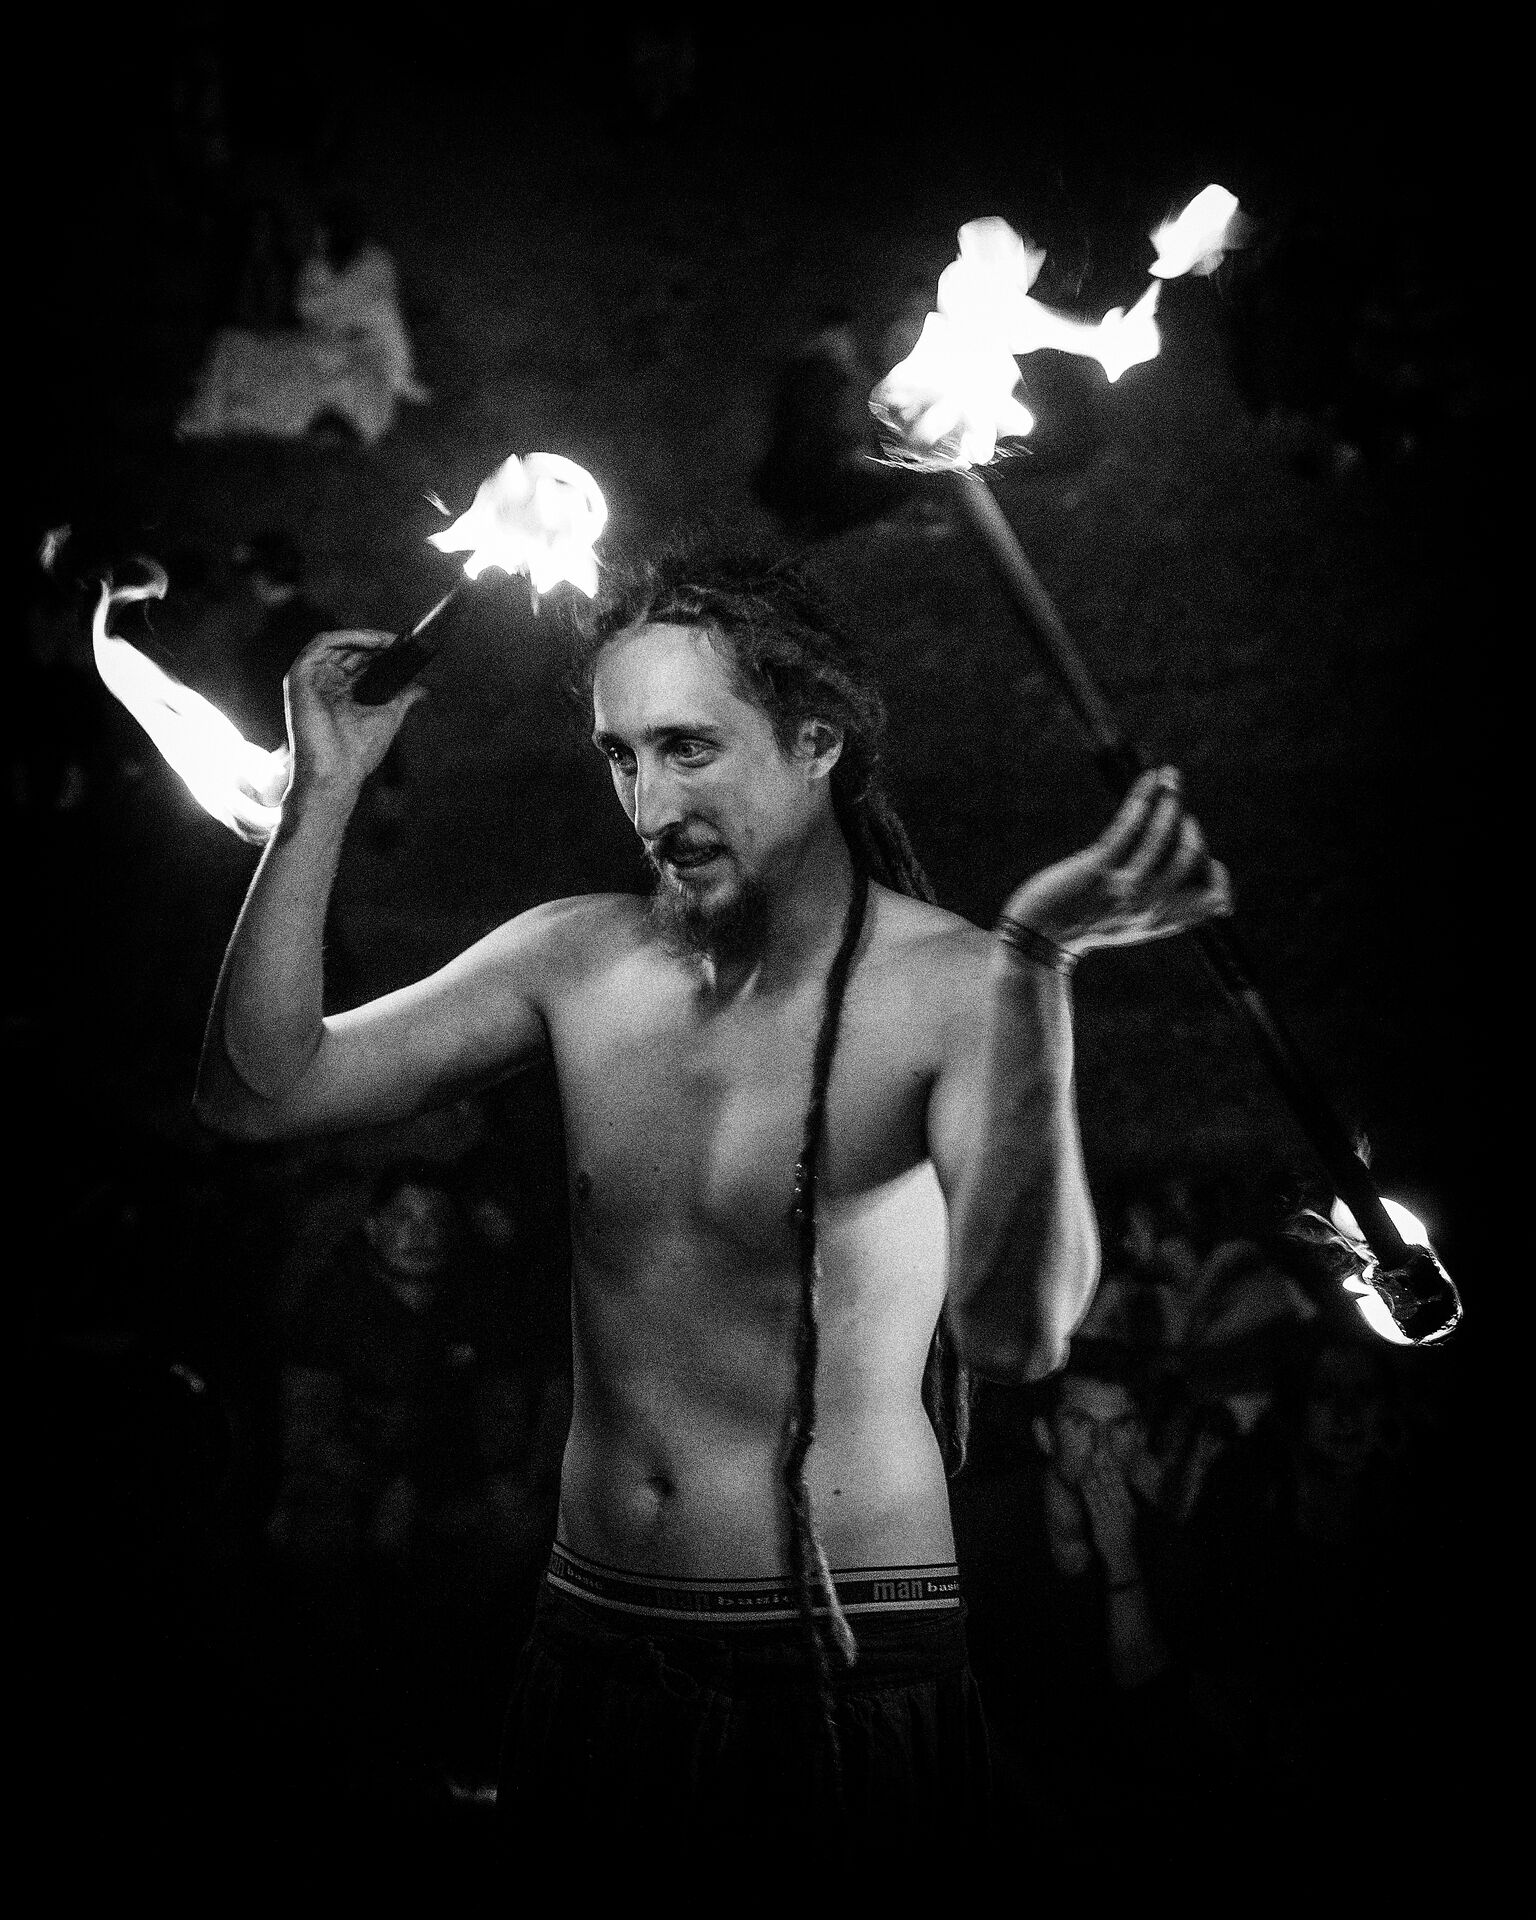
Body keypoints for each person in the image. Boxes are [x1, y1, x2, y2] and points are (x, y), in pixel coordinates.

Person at [194, 536, 1230, 1866]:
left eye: (690, 749)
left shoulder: (956, 986)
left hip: (840, 1653)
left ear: (816, 742)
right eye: (621, 756)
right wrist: (322, 794)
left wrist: (1037, 974)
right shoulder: (578, 956)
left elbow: (1017, 1339)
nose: (650, 803)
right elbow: (258, 1093)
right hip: (592, 1637)